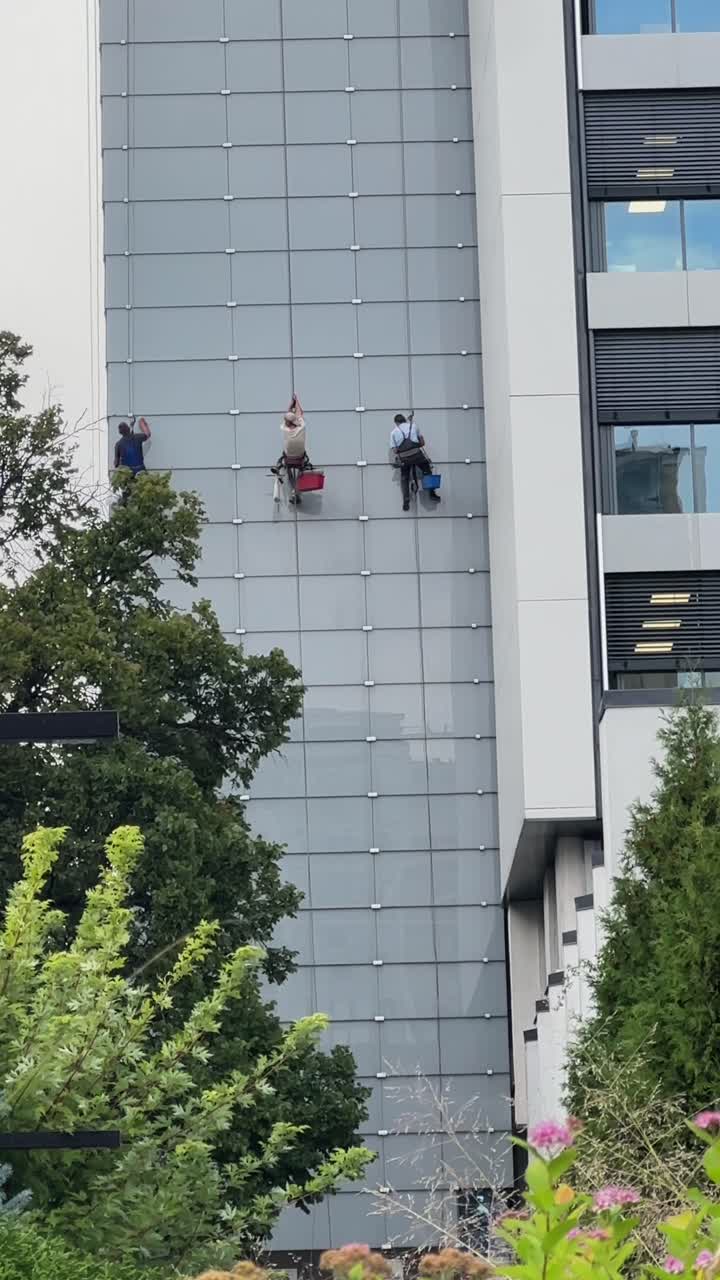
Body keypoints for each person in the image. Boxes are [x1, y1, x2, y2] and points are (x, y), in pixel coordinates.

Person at [390, 413, 440, 512]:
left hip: (404, 458)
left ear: (396, 423)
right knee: (427, 470)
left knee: (404, 478)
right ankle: (431, 493)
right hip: (417, 455)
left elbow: (395, 450)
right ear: (404, 420)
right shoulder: (413, 426)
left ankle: (406, 500)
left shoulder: (393, 432)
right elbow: (422, 443)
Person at [273, 395, 312, 505]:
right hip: (300, 456)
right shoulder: (302, 427)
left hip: (289, 457)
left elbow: (286, 418)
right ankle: (296, 491)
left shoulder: (284, 429)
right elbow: (300, 413)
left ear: (287, 422)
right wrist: (297, 401)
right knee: (301, 467)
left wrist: (291, 404)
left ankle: (293, 490)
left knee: (287, 467)